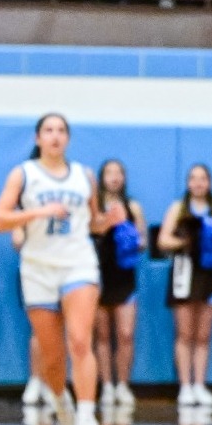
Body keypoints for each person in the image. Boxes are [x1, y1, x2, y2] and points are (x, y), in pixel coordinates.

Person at [0, 113, 104, 425]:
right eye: (48, 130)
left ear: (68, 138)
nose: (55, 136)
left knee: (80, 340)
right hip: (38, 267)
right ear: (37, 138)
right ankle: (60, 400)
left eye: (60, 131)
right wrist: (38, 213)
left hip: (78, 264)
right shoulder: (23, 174)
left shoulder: (85, 175)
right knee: (51, 356)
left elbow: (93, 223)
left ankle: (87, 417)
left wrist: (108, 221)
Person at [159, 163, 212, 408]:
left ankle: (200, 384)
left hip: (209, 273)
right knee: (185, 333)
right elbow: (163, 239)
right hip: (184, 273)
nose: (198, 183)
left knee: (204, 334)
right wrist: (187, 241)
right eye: (194, 178)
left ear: (209, 182)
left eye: (203, 178)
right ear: (188, 183)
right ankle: (185, 386)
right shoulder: (179, 208)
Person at [92, 158, 146, 410]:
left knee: (125, 334)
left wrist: (129, 233)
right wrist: (107, 223)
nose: (114, 177)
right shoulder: (94, 206)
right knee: (101, 336)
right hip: (98, 274)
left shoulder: (133, 206)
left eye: (118, 172)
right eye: (109, 172)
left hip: (124, 276)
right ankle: (107, 386)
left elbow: (144, 242)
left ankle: (123, 384)